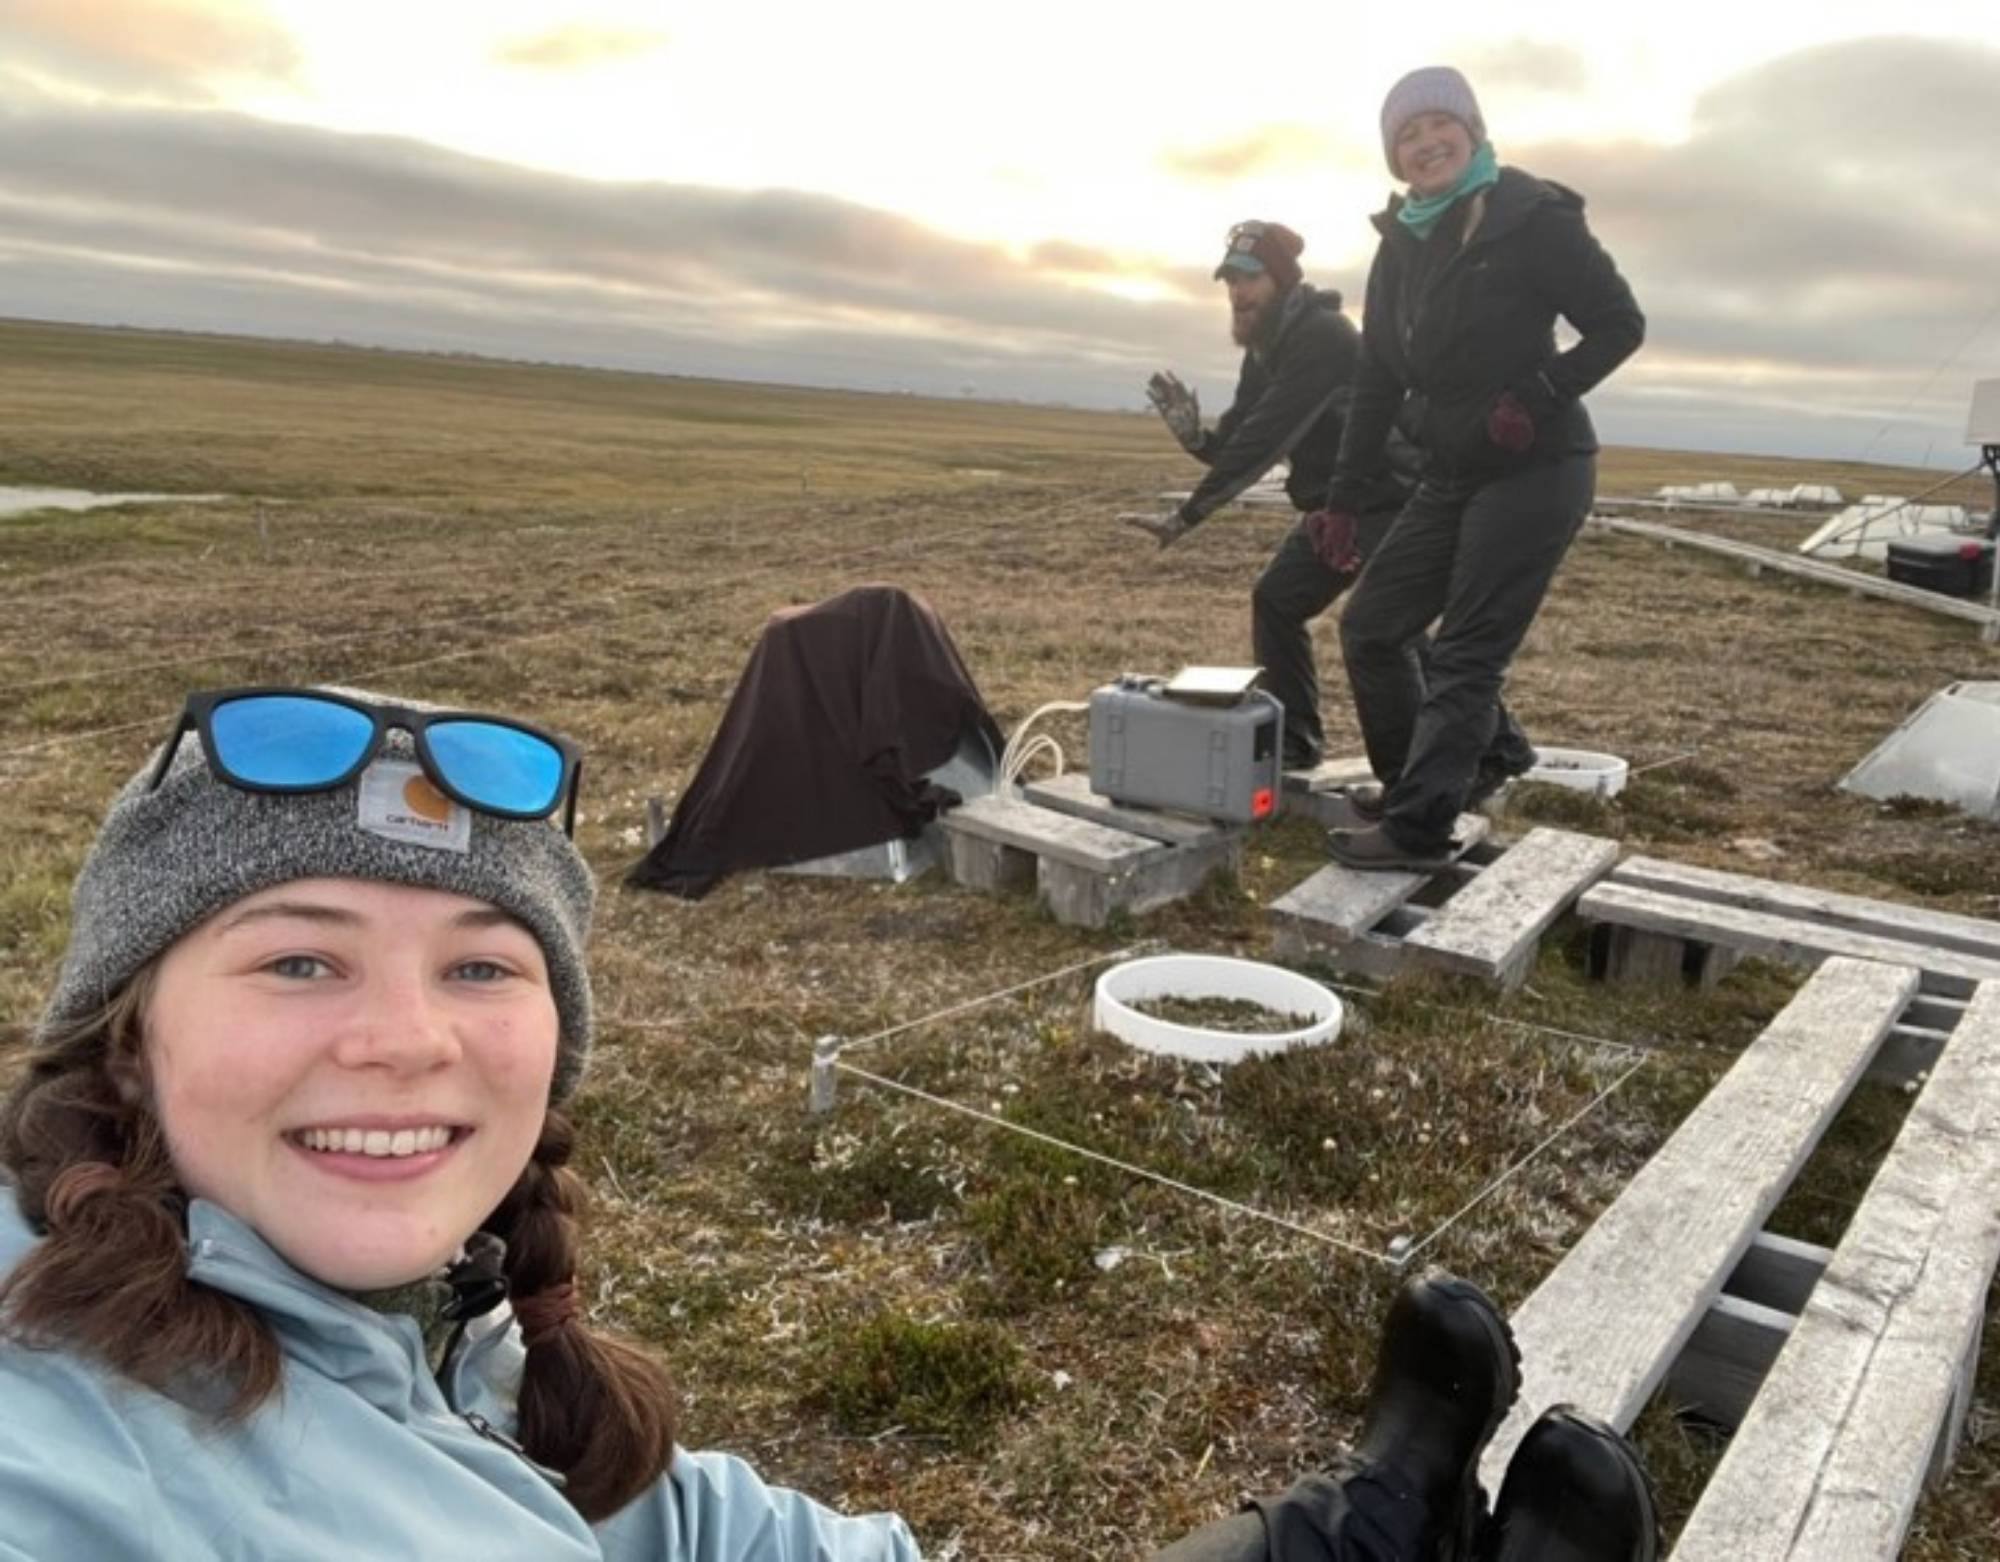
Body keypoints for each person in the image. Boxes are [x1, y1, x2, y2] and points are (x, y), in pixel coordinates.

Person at [0, 685, 1657, 1560]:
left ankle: (1353, 1532)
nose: (405, 1038)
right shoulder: (68, 1447)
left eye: (481, 963)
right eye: (299, 956)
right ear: (129, 1035)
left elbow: (719, 1536)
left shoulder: (442, 1338)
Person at [1318, 66, 1644, 871]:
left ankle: (1421, 829)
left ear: (1472, 132)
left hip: (1539, 466)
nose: (1426, 144)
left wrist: (1539, 392)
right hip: (1450, 471)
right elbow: (1376, 379)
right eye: (1407, 136)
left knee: (1464, 652)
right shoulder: (1400, 245)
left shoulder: (1534, 217)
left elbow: (1618, 323)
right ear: (1394, 155)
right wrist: (1342, 500)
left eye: (1440, 128)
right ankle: (1418, 786)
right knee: (1373, 625)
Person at [1122, 221, 1403, 771]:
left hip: (1390, 498)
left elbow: (1263, 438)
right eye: (1230, 280)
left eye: (1250, 278)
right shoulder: (1268, 346)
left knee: (1389, 634)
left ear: (1281, 280)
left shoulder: (1322, 336)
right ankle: (1296, 745)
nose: (1237, 293)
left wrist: (1188, 514)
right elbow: (1236, 440)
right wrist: (1197, 438)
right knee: (1277, 600)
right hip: (1334, 509)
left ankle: (1461, 763)